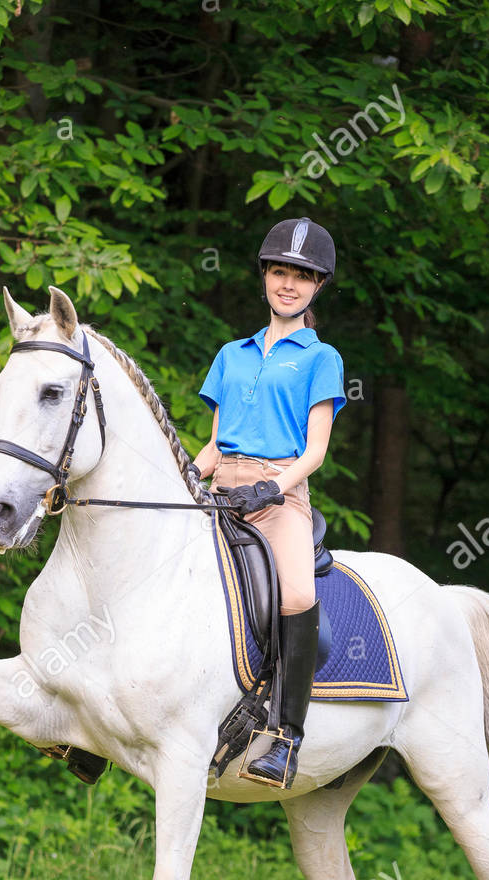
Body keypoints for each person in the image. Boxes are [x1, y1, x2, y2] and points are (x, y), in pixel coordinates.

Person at [194, 217, 346, 789]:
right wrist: (188, 471)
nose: (289, 284)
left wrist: (273, 488)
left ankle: (286, 737)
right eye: (281, 272)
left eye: (302, 277)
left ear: (316, 287)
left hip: (280, 495)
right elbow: (214, 443)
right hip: (219, 492)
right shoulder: (231, 354)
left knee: (299, 593)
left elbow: (316, 452)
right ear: (265, 277)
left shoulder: (320, 357)